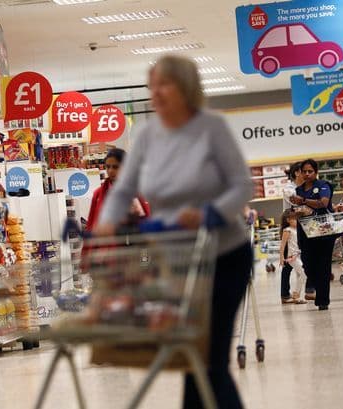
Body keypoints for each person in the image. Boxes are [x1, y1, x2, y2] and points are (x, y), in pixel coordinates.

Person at [94, 55, 253, 409]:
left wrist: (209, 213)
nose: (156, 92)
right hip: (179, 260)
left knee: (208, 360)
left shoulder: (211, 127)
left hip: (224, 255)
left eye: (163, 84)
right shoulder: (148, 135)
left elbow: (242, 186)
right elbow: (123, 188)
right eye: (152, 85)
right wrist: (107, 219)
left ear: (184, 87)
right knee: (191, 357)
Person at [291, 159, 335, 310]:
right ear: (301, 173)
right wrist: (294, 211)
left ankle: (323, 301)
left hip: (323, 232)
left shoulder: (323, 185)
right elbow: (298, 210)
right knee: (308, 264)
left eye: (310, 171)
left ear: (316, 172)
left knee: (323, 265)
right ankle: (320, 288)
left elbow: (323, 203)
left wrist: (303, 200)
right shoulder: (298, 190)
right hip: (305, 232)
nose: (307, 174)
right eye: (304, 171)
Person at [85, 148, 150, 232]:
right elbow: (91, 224)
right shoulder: (98, 194)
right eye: (107, 167)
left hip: (132, 241)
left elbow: (146, 220)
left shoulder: (137, 191)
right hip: (105, 242)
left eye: (115, 167)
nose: (110, 171)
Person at [280, 162, 304, 303]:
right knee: (288, 264)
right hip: (290, 227)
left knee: (299, 261)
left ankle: (300, 292)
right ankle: (285, 294)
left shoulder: (304, 187)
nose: (307, 174)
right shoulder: (289, 188)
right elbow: (296, 202)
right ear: (296, 173)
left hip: (300, 227)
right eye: (304, 171)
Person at [279, 209, 307, 304]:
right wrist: (281, 258)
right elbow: (282, 245)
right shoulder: (287, 230)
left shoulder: (298, 230)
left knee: (302, 274)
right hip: (292, 257)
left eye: (297, 219)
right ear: (288, 220)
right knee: (304, 273)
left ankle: (296, 295)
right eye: (294, 219)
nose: (297, 221)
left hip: (298, 256)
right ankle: (296, 295)